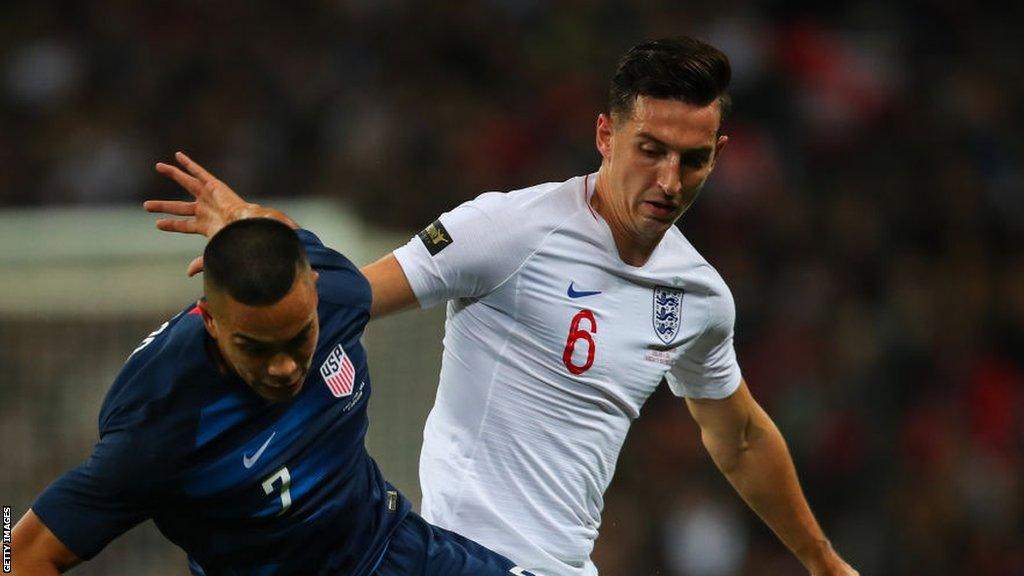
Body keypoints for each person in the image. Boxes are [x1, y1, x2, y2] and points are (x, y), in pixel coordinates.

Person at [144, 37, 858, 576]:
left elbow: (737, 437)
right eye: (651, 149)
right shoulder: (511, 229)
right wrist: (261, 245)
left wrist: (824, 562)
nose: (670, 180)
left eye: (693, 159)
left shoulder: (699, 295)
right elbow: (349, 295)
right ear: (607, 136)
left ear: (719, 152)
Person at [11, 218, 534, 575]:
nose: (284, 367)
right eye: (255, 349)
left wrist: (240, 214)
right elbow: (20, 550)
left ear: (313, 291)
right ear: (211, 321)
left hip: (397, 549)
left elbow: (289, 236)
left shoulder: (341, 292)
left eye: (299, 337)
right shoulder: (160, 425)